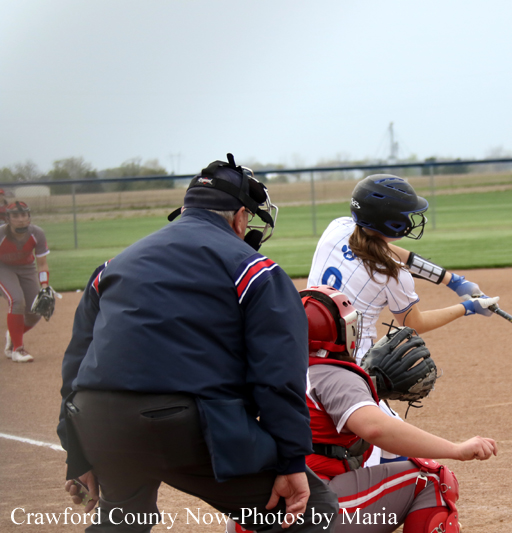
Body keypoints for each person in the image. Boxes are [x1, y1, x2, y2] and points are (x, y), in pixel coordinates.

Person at [57, 154, 337, 532]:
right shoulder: (255, 270)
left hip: (95, 419)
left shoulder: (113, 266)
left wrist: (79, 452)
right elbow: (278, 376)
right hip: (179, 424)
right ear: (240, 217)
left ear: (187, 208)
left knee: (122, 521)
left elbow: (75, 366)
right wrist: (290, 461)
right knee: (311, 511)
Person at [228, 286, 498, 533]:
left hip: (252, 512)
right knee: (432, 478)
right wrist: (456, 449)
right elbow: (375, 428)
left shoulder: (269, 370)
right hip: (303, 512)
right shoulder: (333, 375)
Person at [306, 174, 499, 465]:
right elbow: (414, 323)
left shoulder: (337, 228)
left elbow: (383, 249)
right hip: (350, 369)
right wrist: (468, 307)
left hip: (303, 356)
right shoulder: (392, 274)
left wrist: (451, 280)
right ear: (393, 224)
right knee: (397, 454)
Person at [1, 201, 51, 362]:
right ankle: (18, 350)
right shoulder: (1, 234)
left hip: (26, 267)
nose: (21, 219)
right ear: (7, 219)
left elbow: (42, 263)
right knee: (17, 300)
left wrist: (44, 286)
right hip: (3, 267)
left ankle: (13, 335)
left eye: (24, 215)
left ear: (29, 217)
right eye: (15, 215)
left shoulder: (37, 233)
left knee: (36, 311)